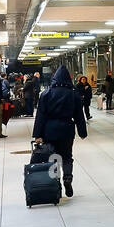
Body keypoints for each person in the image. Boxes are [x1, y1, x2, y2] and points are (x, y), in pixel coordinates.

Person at [33, 65, 87, 198]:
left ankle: (55, 184)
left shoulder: (46, 93)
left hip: (49, 130)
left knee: (53, 157)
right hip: (67, 129)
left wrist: (37, 134)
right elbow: (79, 115)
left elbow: (41, 115)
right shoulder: (74, 94)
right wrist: (82, 132)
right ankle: (67, 178)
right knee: (67, 157)